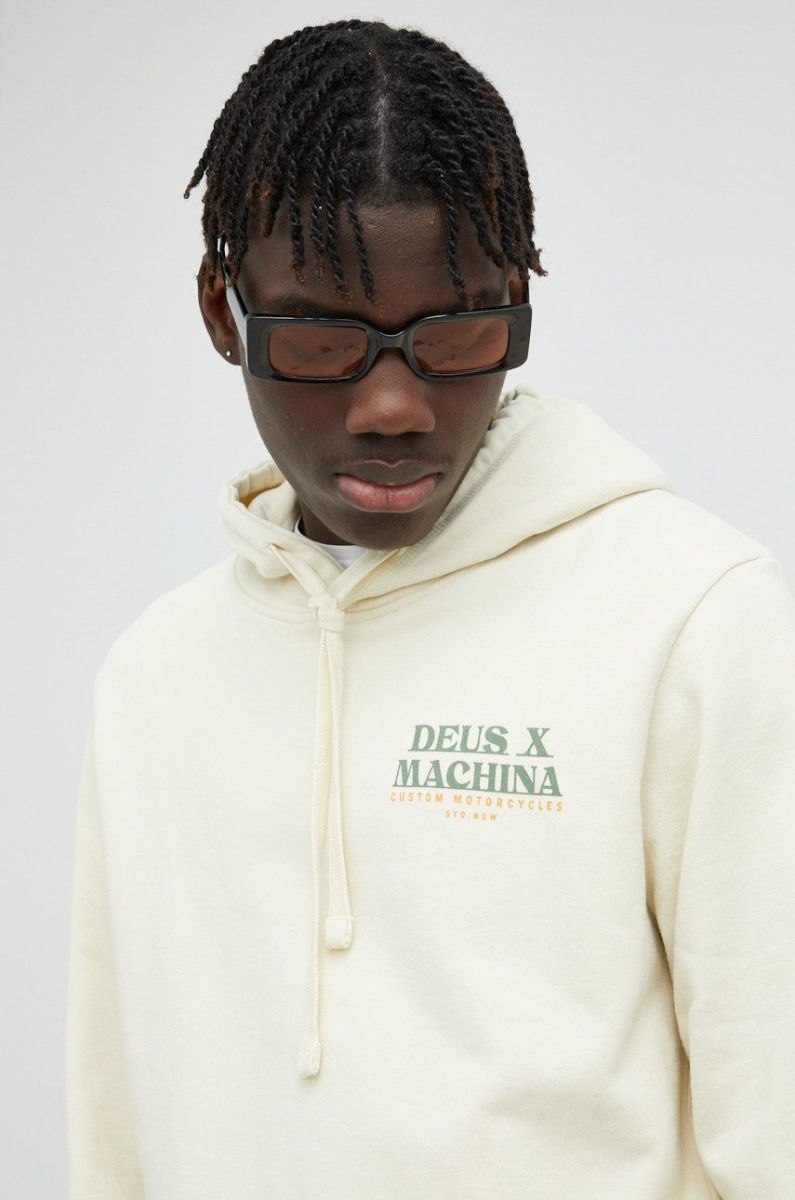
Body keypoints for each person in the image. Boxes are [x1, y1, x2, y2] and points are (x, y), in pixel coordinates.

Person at [65, 18, 795, 1200]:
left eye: (454, 334)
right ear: (222, 311)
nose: (396, 408)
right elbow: (116, 1131)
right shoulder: (155, 677)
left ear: (516, 297)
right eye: (321, 339)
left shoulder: (691, 621)